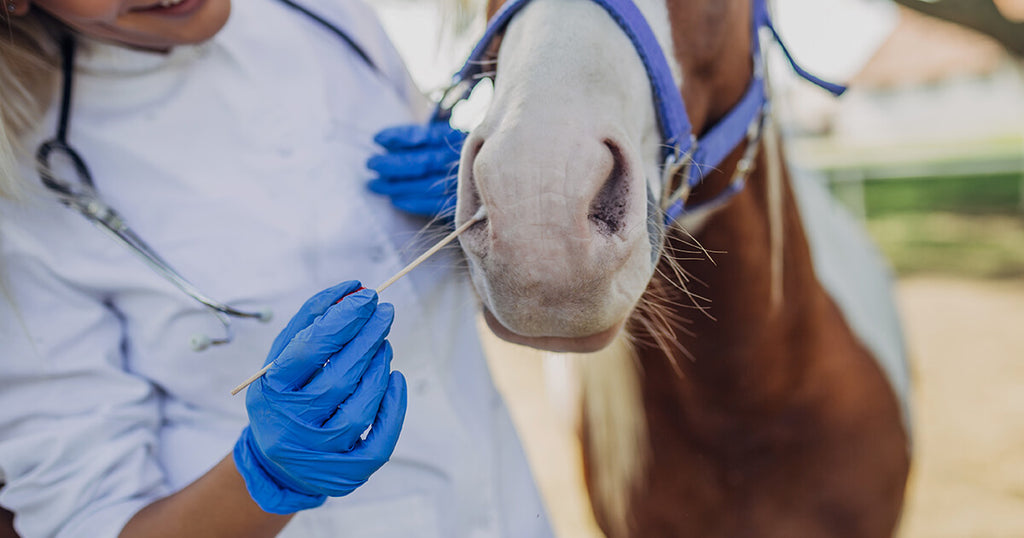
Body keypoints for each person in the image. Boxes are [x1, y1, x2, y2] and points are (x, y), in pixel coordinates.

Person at [0, 1, 553, 536]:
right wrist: (267, 474)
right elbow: (90, 522)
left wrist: (473, 202)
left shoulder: (326, 16)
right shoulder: (25, 197)